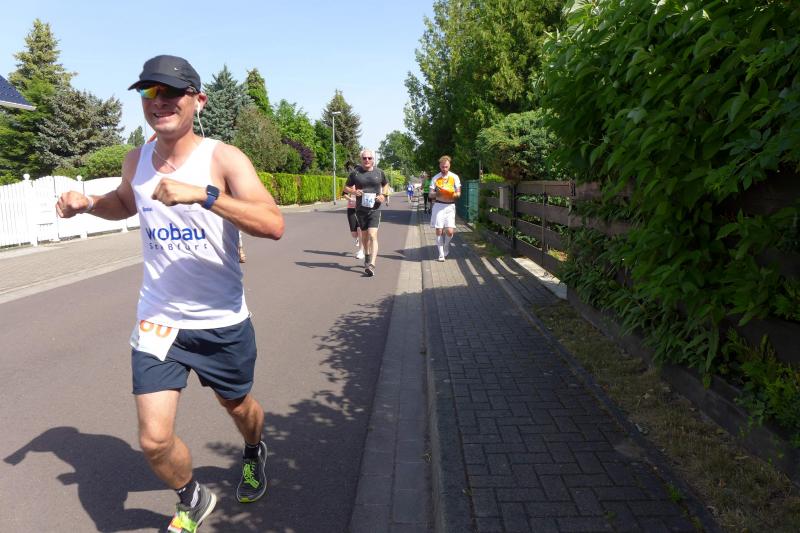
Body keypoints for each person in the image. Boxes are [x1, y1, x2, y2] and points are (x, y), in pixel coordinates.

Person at [55, 54, 285, 533]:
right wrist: (88, 204)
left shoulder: (223, 158)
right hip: (159, 320)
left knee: (239, 408)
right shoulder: (136, 160)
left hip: (220, 320)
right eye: (149, 92)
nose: (158, 101)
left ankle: (252, 449)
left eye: (171, 92)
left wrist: (204, 194)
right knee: (154, 441)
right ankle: (193, 497)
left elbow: (273, 223)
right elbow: (125, 201)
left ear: (198, 101)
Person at [343, 149, 387, 277]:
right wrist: (354, 192)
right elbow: (345, 187)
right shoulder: (355, 173)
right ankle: (367, 256)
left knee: (373, 235)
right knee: (365, 236)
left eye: (369, 158)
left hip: (375, 208)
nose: (367, 160)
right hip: (361, 210)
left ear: (373, 159)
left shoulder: (379, 172)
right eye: (364, 158)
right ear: (361, 159)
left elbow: (385, 184)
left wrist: (383, 195)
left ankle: (372, 264)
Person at [429, 155, 461, 261]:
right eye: (442, 167)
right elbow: (430, 194)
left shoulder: (454, 177)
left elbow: (458, 194)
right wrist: (437, 193)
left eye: (446, 167)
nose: (444, 169)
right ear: (440, 166)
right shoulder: (435, 178)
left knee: (450, 231)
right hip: (438, 205)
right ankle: (441, 254)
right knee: (439, 230)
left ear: (449, 165)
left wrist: (451, 194)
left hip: (450, 206)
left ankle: (446, 246)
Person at [344, 189, 365, 259]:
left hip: (361, 208)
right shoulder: (350, 185)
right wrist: (350, 199)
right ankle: (357, 238)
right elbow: (344, 194)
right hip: (351, 209)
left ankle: (361, 251)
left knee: (360, 229)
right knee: (354, 234)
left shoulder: (363, 185)